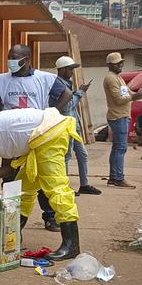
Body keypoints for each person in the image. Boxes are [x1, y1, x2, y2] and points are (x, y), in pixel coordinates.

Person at [0, 108, 82, 261]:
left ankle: (71, 244)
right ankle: (12, 236)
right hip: (39, 140)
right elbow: (8, 169)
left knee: (56, 188)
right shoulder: (0, 135)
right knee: (23, 190)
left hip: (49, 132)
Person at [0, 44, 73, 231]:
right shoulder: (2, 80)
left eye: (15, 57)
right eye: (9, 56)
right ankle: (11, 218)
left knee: (42, 176)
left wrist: (51, 113)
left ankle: (50, 217)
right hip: (11, 135)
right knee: (10, 176)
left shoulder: (44, 78)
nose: (11, 61)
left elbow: (67, 94)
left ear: (27, 60)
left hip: (38, 134)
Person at [54, 56, 101, 195]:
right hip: (66, 126)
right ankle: (64, 186)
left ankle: (84, 184)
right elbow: (67, 106)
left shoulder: (66, 83)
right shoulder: (58, 85)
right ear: (62, 69)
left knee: (82, 154)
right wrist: (80, 92)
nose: (72, 72)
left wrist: (77, 92)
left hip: (74, 126)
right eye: (70, 69)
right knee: (66, 156)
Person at [102, 52, 142, 188]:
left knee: (118, 148)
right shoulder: (111, 79)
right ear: (110, 65)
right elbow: (119, 99)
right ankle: (118, 178)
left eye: (121, 63)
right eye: (117, 63)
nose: (120, 65)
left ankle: (114, 177)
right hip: (118, 116)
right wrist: (136, 97)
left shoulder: (118, 78)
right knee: (120, 148)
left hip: (121, 116)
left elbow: (128, 94)